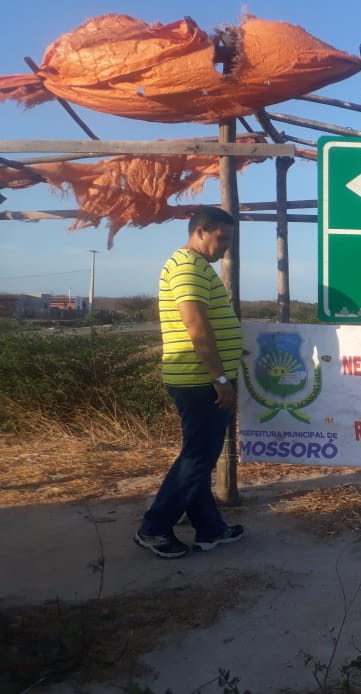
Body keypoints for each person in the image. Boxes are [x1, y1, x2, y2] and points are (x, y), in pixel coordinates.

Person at [134, 206, 245, 558]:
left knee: (199, 455)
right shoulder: (186, 267)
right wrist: (220, 377)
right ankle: (153, 529)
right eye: (222, 238)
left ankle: (210, 529)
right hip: (202, 382)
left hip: (202, 380)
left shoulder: (195, 267)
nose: (226, 247)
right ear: (201, 231)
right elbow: (196, 326)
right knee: (198, 457)